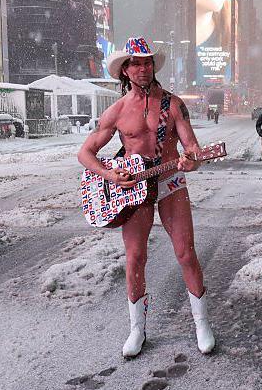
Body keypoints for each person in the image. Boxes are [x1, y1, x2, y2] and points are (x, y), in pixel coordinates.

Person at [78, 37, 215, 358]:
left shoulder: (174, 104)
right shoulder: (117, 111)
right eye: (136, 63)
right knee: (135, 258)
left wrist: (192, 160)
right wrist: (111, 175)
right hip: (135, 190)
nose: (143, 68)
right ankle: (137, 330)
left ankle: (202, 323)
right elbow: (85, 153)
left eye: (147, 62)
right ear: (125, 70)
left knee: (185, 253)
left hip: (170, 182)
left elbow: (192, 149)